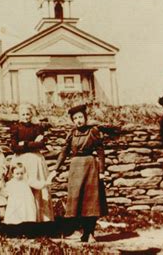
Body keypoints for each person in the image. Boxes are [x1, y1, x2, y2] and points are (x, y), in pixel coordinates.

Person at [51, 104, 108, 242]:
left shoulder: (93, 131)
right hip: (76, 167)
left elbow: (100, 152)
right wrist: (55, 169)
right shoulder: (71, 133)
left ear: (85, 118)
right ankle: (82, 231)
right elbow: (64, 152)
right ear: (73, 120)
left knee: (91, 201)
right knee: (77, 200)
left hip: (90, 167)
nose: (78, 120)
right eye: (75, 118)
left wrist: (101, 171)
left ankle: (90, 233)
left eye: (80, 117)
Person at [9, 104, 54, 223]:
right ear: (19, 116)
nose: (26, 116)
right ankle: (22, 219)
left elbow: (41, 144)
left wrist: (24, 144)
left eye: (28, 114)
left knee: (37, 188)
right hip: (21, 161)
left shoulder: (37, 128)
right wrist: (31, 144)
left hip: (35, 161)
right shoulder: (15, 128)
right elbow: (14, 147)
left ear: (31, 115)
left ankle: (40, 219)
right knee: (22, 188)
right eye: (23, 114)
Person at [2, 164, 52, 236]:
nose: (19, 175)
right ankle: (14, 233)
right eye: (17, 174)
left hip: (26, 204)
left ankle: (28, 232)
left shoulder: (27, 181)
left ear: (24, 173)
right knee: (15, 219)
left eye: (21, 173)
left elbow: (37, 184)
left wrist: (45, 183)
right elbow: (5, 193)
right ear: (12, 174)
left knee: (27, 217)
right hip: (15, 205)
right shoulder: (10, 184)